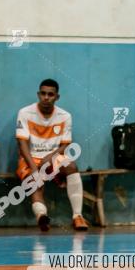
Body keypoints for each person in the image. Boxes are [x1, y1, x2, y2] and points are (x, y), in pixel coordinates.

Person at [16, 79, 88, 231]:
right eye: (43, 93)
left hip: (54, 157)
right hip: (30, 158)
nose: (46, 97)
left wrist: (51, 157)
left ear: (57, 97)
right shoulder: (25, 113)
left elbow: (65, 144)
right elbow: (22, 144)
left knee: (71, 166)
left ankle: (78, 217)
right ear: (38, 94)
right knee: (34, 182)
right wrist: (35, 170)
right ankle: (42, 216)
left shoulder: (65, 116)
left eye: (50, 94)